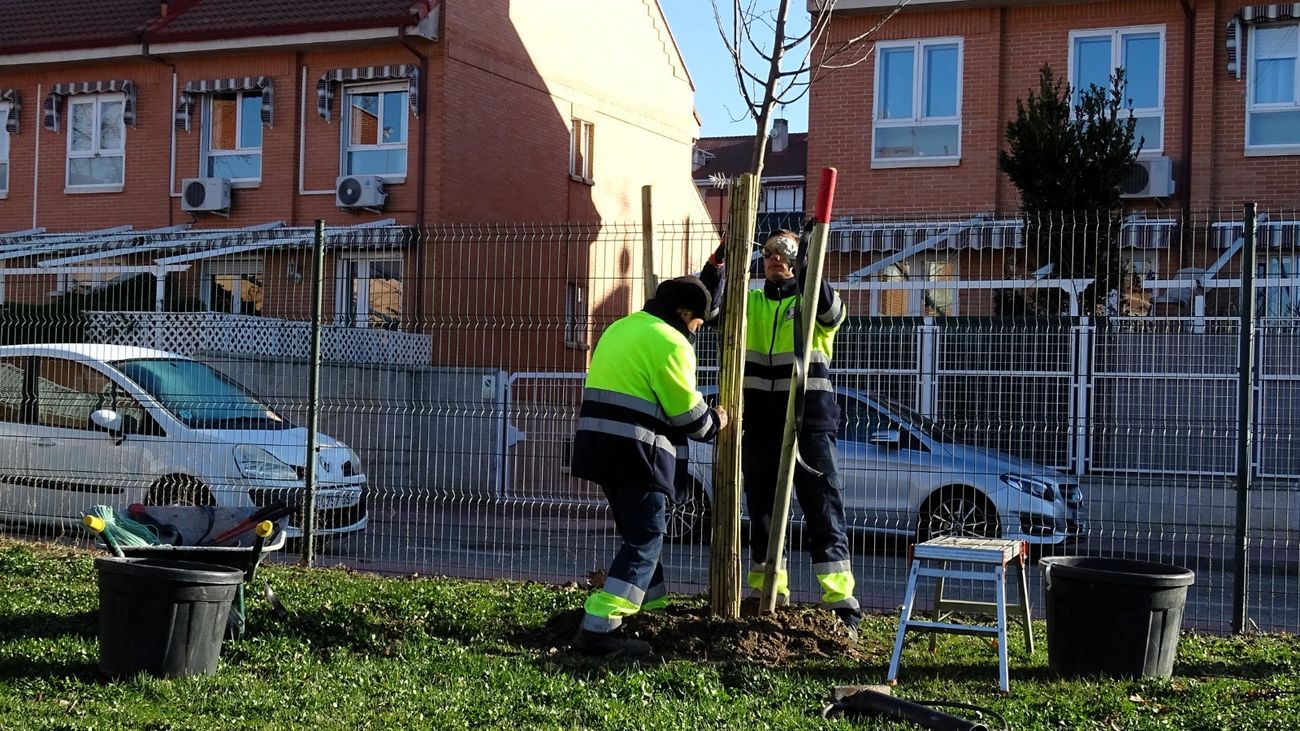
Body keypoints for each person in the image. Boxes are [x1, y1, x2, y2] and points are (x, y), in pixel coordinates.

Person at [699, 228, 862, 638]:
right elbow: (709, 307)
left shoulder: (809, 300)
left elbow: (832, 313)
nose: (776, 258)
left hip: (809, 420)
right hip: (760, 421)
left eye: (785, 251)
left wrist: (810, 263)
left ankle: (842, 605)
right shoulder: (749, 303)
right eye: (770, 251)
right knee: (764, 513)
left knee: (823, 509)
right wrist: (718, 262)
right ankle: (767, 594)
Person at [570, 275, 730, 657]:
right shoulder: (671, 341)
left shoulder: (621, 327)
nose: (697, 331)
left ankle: (650, 608)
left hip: (598, 446)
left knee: (637, 532)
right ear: (686, 313)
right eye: (698, 324)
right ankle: (600, 626)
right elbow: (690, 418)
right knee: (646, 536)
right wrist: (718, 419)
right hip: (636, 451)